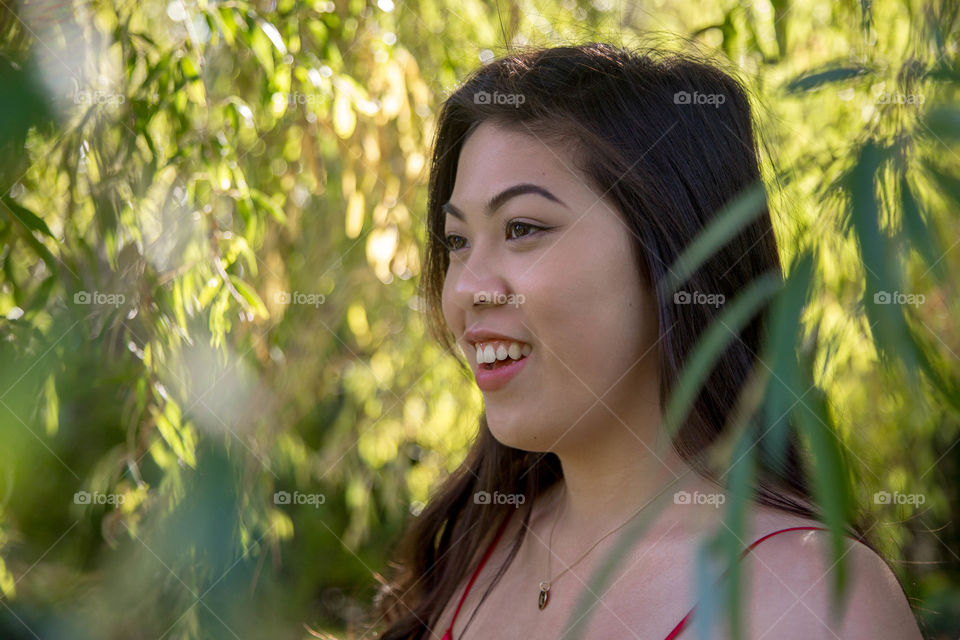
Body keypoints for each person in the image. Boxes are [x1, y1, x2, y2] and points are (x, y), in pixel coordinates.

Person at [370, 42, 923, 639]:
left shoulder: (812, 600)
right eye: (457, 242)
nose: (467, 289)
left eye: (522, 228)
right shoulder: (476, 543)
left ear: (674, 256)